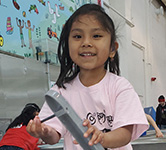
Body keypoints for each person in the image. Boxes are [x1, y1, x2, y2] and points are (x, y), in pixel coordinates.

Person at [26, 4, 149, 150]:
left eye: (96, 36)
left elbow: (125, 134)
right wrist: (43, 131)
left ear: (112, 49)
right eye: (78, 36)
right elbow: (54, 135)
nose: (86, 43)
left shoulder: (120, 87)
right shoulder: (61, 91)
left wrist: (102, 137)